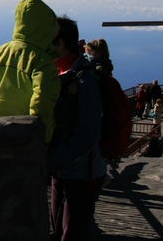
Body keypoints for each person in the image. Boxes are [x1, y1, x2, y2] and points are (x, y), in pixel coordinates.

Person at [46, 17, 106, 241]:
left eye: (48, 40)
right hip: (65, 170)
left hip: (82, 173)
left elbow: (87, 134)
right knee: (58, 232)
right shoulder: (62, 73)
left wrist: (53, 160)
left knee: (70, 235)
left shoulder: (84, 80)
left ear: (60, 44)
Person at [0, 0, 62, 137]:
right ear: (44, 26)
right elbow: (42, 100)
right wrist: (43, 134)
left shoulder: (3, 51)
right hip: (23, 136)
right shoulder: (42, 60)